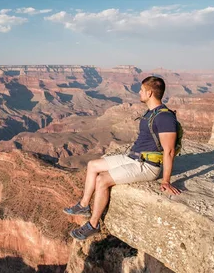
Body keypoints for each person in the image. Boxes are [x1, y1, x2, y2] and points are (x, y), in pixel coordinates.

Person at [64, 76, 181, 241]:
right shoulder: (151, 112)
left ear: (149, 93)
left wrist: (166, 180)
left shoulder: (165, 117)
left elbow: (168, 151)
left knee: (102, 180)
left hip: (147, 166)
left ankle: (93, 224)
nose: (138, 92)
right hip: (133, 157)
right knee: (92, 165)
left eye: (141, 90)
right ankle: (83, 206)